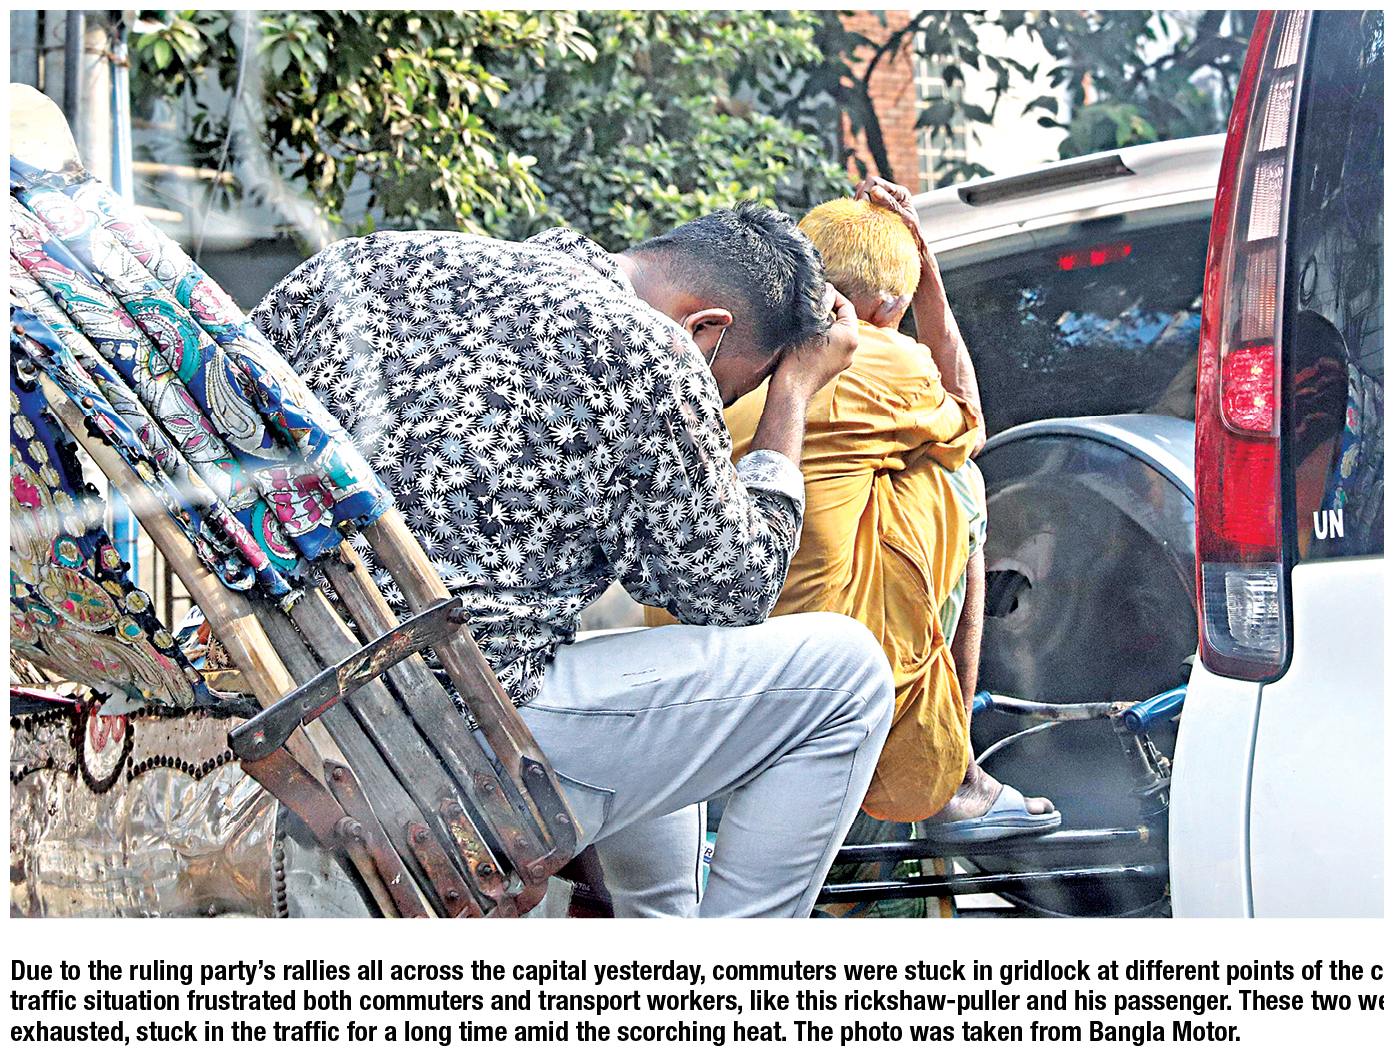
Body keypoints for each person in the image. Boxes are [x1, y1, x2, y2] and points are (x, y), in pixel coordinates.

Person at [250, 204, 896, 918]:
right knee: (850, 674)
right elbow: (737, 590)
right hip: (441, 737)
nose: (716, 410)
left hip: (275, 701)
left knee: (654, 670)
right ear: (706, 331)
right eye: (732, 392)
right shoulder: (650, 350)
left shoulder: (362, 263)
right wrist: (793, 391)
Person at [646, 177, 1060, 849]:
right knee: (960, 479)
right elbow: (970, 422)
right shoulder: (880, 353)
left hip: (684, 635)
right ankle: (954, 779)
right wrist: (928, 276)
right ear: (890, 303)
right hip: (803, 652)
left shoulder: (736, 336)